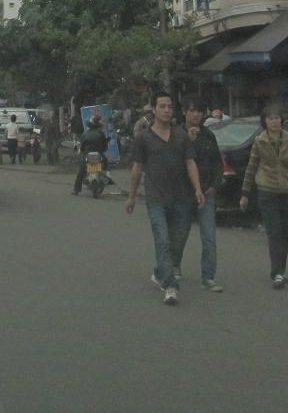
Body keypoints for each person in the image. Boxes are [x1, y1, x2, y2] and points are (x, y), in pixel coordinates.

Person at [125, 91, 204, 306]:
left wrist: (197, 189)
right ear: (154, 110)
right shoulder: (143, 138)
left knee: (177, 243)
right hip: (156, 199)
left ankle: (160, 270)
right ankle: (170, 286)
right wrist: (131, 197)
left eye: (169, 106)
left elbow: (190, 162)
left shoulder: (181, 136)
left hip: (181, 198)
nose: (167, 110)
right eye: (162, 106)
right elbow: (137, 168)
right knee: (162, 240)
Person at [239, 105, 288, 289]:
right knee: (274, 232)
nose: (274, 122)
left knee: (285, 232)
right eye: (270, 118)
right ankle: (276, 273)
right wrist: (245, 194)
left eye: (277, 118)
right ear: (265, 121)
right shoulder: (259, 141)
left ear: (281, 120)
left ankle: (281, 270)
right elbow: (251, 167)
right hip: (267, 190)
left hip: (287, 190)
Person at [173, 102, 224, 292]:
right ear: (185, 112)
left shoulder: (209, 135)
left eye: (199, 111)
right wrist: (190, 141)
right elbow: (175, 161)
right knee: (180, 233)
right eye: (192, 110)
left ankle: (208, 276)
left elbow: (218, 163)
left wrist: (214, 185)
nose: (195, 115)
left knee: (209, 237)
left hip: (206, 193)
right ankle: (174, 264)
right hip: (184, 193)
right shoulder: (176, 134)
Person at [72, 113, 109, 195]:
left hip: (87, 155)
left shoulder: (85, 134)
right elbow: (105, 147)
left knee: (81, 172)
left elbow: (82, 147)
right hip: (98, 155)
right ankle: (105, 178)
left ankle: (76, 190)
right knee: (105, 165)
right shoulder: (101, 133)